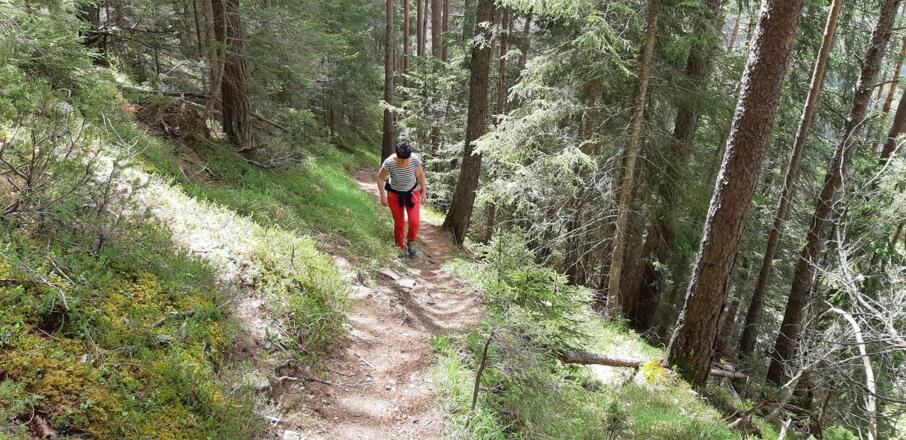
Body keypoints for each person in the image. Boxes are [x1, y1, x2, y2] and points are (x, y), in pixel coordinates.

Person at [377, 142, 428, 257]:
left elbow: (420, 175)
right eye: (401, 160)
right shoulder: (389, 162)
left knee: (414, 222)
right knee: (399, 223)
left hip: (412, 193)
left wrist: (423, 191)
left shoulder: (415, 160)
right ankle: (399, 246)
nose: (404, 162)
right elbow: (380, 178)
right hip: (394, 195)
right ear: (397, 155)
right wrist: (382, 195)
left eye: (406, 160)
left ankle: (411, 242)